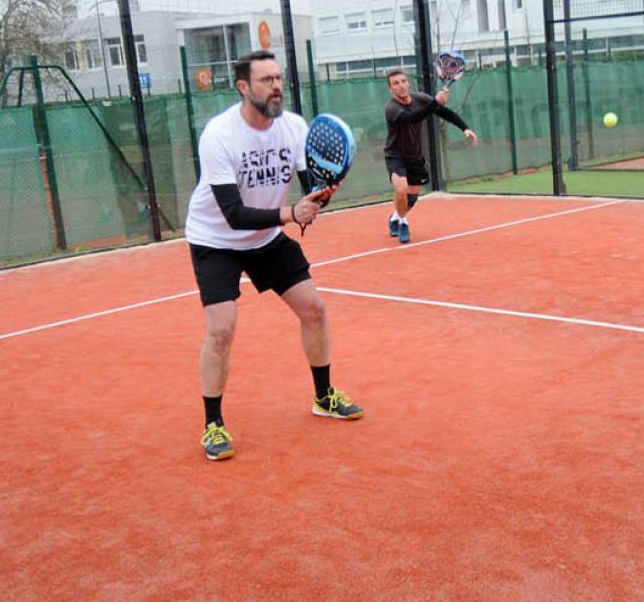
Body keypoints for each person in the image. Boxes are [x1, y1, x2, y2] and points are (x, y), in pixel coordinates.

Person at [185, 49, 363, 461]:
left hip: (266, 238)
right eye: (266, 80)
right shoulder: (219, 135)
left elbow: (309, 193)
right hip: (216, 240)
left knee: (314, 309)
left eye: (279, 78)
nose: (277, 86)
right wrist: (290, 212)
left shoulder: (295, 127)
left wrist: (321, 196)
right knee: (221, 330)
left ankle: (324, 398)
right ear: (243, 87)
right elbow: (232, 214)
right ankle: (213, 424)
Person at [383, 69, 478, 243]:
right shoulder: (391, 108)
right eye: (396, 83)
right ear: (390, 89)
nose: (401, 86)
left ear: (408, 83)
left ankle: (395, 217)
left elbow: (445, 113)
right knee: (401, 188)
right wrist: (434, 103)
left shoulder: (420, 99)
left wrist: (465, 128)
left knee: (411, 198)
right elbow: (412, 117)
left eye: (403, 81)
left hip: (415, 156)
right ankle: (403, 223)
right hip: (395, 155)